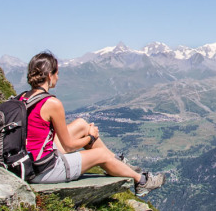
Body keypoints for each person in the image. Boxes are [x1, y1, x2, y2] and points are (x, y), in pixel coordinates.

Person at [22, 51, 165, 196]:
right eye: (57, 73)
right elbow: (68, 146)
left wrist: (86, 133)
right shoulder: (52, 103)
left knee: (81, 124)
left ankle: (119, 164)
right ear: (49, 75)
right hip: (44, 169)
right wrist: (90, 137)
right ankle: (141, 181)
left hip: (30, 160)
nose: (58, 77)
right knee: (101, 153)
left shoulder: (23, 98)